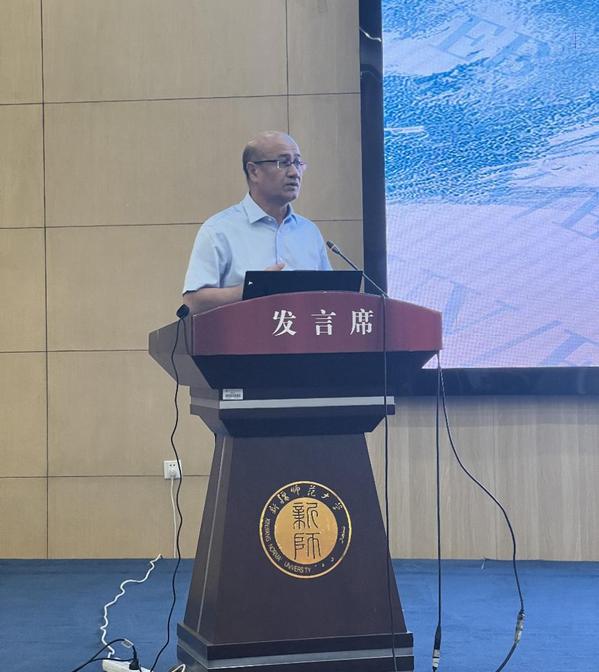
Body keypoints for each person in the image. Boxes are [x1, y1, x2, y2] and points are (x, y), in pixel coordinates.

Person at [182, 131, 332, 314]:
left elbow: (329, 295)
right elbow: (193, 302)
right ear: (254, 171)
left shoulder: (308, 232)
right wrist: (252, 289)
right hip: (243, 331)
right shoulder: (218, 230)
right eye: (283, 163)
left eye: (298, 163)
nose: (294, 172)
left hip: (301, 331)